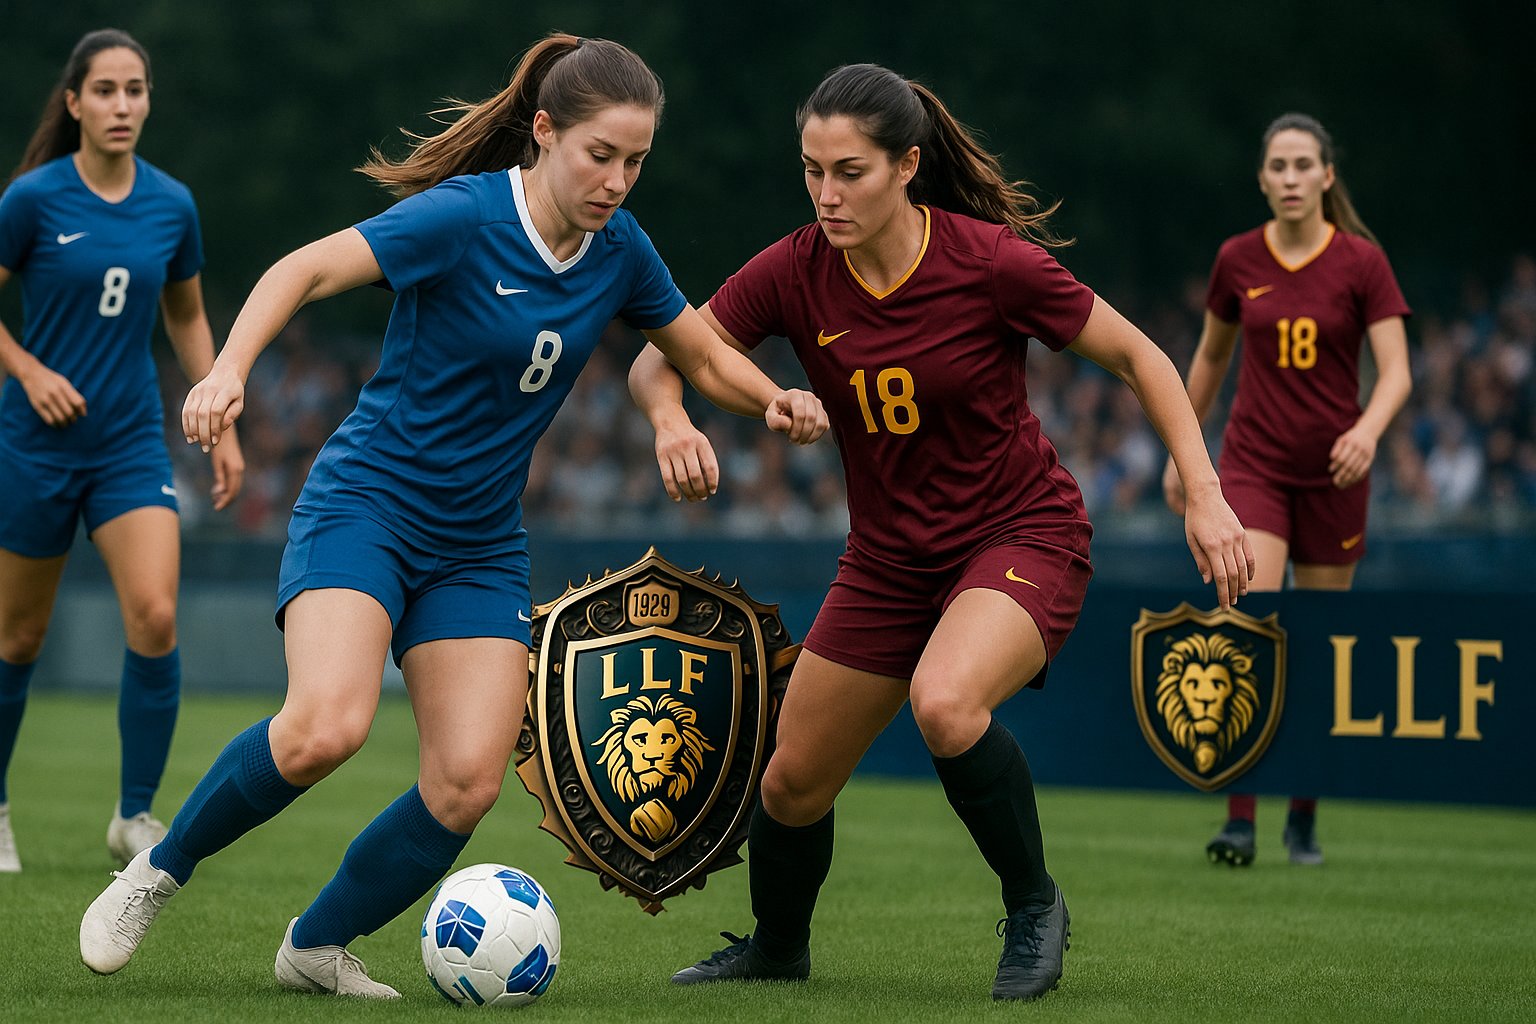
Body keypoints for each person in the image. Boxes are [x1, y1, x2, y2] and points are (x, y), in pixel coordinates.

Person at [78, 33, 826, 997]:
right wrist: (227, 370)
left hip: (477, 546)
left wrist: (771, 399)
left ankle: (315, 945)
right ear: (545, 133)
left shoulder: (622, 249)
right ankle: (154, 873)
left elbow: (701, 351)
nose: (618, 180)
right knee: (323, 728)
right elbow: (299, 271)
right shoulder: (462, 218)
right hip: (367, 507)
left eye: (636, 161)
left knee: (468, 780)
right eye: (601, 154)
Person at [629, 63, 1252, 1001]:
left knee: (947, 703)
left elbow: (1139, 355)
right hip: (887, 560)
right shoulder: (796, 268)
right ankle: (776, 948)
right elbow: (659, 363)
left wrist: (1203, 493)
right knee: (792, 781)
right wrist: (675, 422)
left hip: (1021, 532)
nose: (826, 195)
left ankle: (1036, 904)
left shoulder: (990, 262)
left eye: (850, 172)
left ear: (908, 165)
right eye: (811, 171)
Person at [0, 29, 243, 874]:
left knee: (156, 614)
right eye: (104, 91)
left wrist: (222, 418)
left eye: (134, 90)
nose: (121, 106)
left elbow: (184, 315)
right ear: (73, 103)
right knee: (19, 635)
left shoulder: (171, 204)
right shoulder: (31, 200)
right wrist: (27, 371)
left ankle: (135, 816)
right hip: (34, 445)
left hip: (130, 440)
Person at [1162, 113, 1411, 868]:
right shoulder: (1237, 259)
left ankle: (1303, 819)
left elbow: (1398, 372)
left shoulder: (1363, 262)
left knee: (1318, 645)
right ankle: (1240, 818)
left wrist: (1367, 432)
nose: (1293, 178)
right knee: (1247, 623)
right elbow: (1208, 358)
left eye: (1306, 165)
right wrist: (1185, 453)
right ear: (1263, 179)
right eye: (1280, 166)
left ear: (1327, 176)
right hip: (1255, 468)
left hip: (1335, 478)